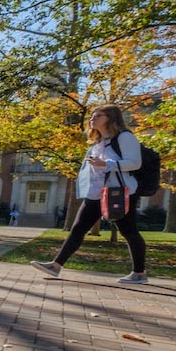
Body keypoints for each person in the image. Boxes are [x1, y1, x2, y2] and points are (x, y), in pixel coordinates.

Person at [30, 105, 148, 284]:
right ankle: (56, 266)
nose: (92, 118)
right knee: (78, 228)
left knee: (129, 231)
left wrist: (106, 164)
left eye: (98, 115)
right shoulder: (99, 141)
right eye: (92, 115)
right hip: (97, 192)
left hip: (119, 192)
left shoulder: (125, 137)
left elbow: (135, 163)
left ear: (110, 118)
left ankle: (139, 274)